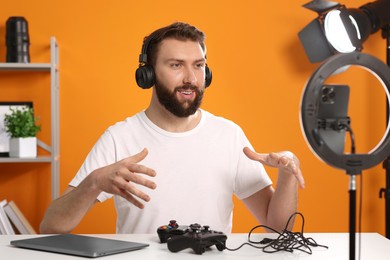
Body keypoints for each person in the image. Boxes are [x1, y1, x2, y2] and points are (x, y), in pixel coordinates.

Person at [40, 22, 305, 234]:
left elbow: (278, 228)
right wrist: (94, 182)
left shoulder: (229, 135)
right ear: (148, 74)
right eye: (176, 65)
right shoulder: (120, 137)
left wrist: (287, 173)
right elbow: (51, 226)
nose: (191, 79)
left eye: (199, 66)